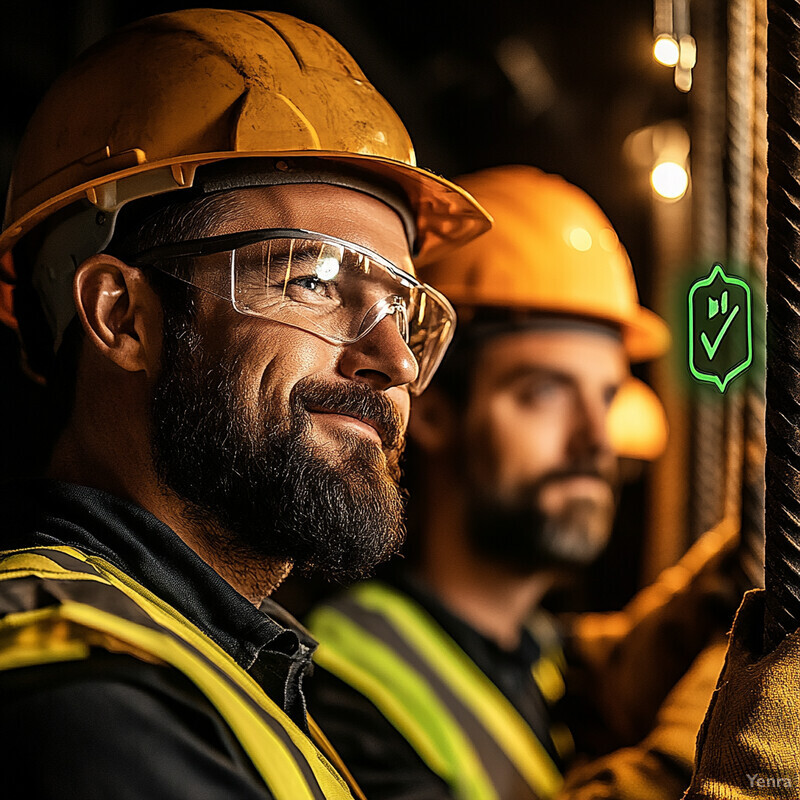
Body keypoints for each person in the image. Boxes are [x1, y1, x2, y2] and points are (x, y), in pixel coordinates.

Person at [0, 9, 492, 799]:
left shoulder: (227, 657)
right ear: (121, 316)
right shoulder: (78, 682)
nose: (395, 360)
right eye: (314, 282)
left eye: (404, 312)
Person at [306, 165, 741, 800]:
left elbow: (609, 671)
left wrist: (733, 578)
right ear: (429, 409)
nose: (597, 439)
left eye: (607, 395)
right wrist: (721, 752)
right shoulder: (336, 695)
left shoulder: (536, 655)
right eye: (544, 393)